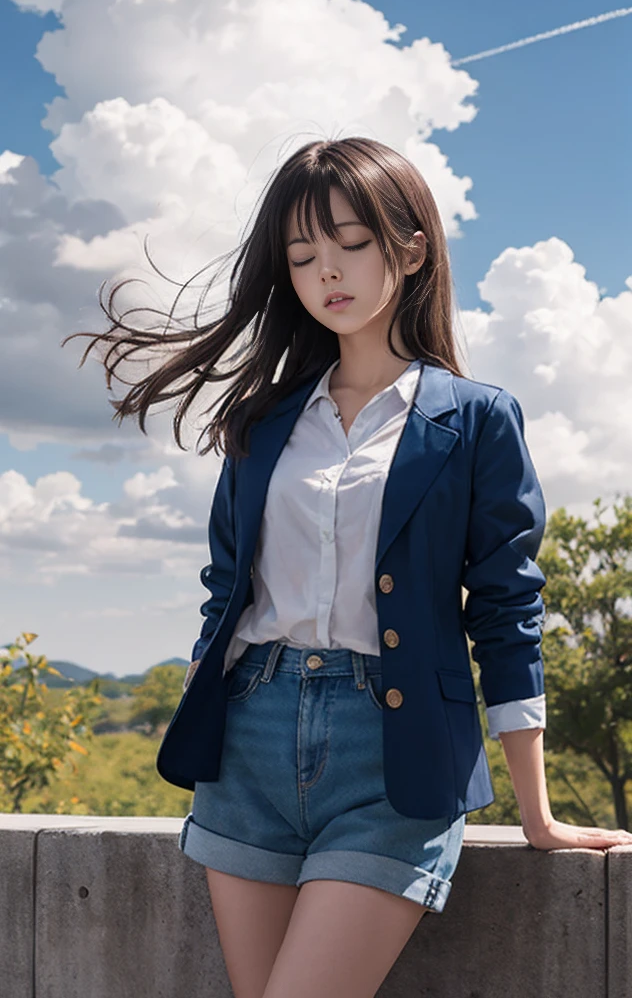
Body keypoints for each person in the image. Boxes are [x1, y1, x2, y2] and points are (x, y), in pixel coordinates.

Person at [67, 137, 632, 998]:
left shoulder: (477, 420)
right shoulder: (264, 421)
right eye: (302, 256)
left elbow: (508, 610)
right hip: (249, 739)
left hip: (393, 755)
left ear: (409, 247)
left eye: (350, 243)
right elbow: (228, 587)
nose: (326, 271)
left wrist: (538, 812)